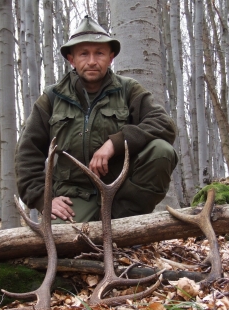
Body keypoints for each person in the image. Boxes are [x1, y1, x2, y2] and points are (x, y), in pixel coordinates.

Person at [15, 16, 177, 223]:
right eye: (84, 54)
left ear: (110, 58)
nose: (92, 61)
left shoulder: (128, 90)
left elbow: (164, 124)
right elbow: (27, 154)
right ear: (71, 59)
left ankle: (123, 223)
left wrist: (114, 143)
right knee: (61, 245)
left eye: (99, 53)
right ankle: (101, 228)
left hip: (122, 195)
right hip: (74, 197)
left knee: (161, 150)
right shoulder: (52, 98)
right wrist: (43, 199)